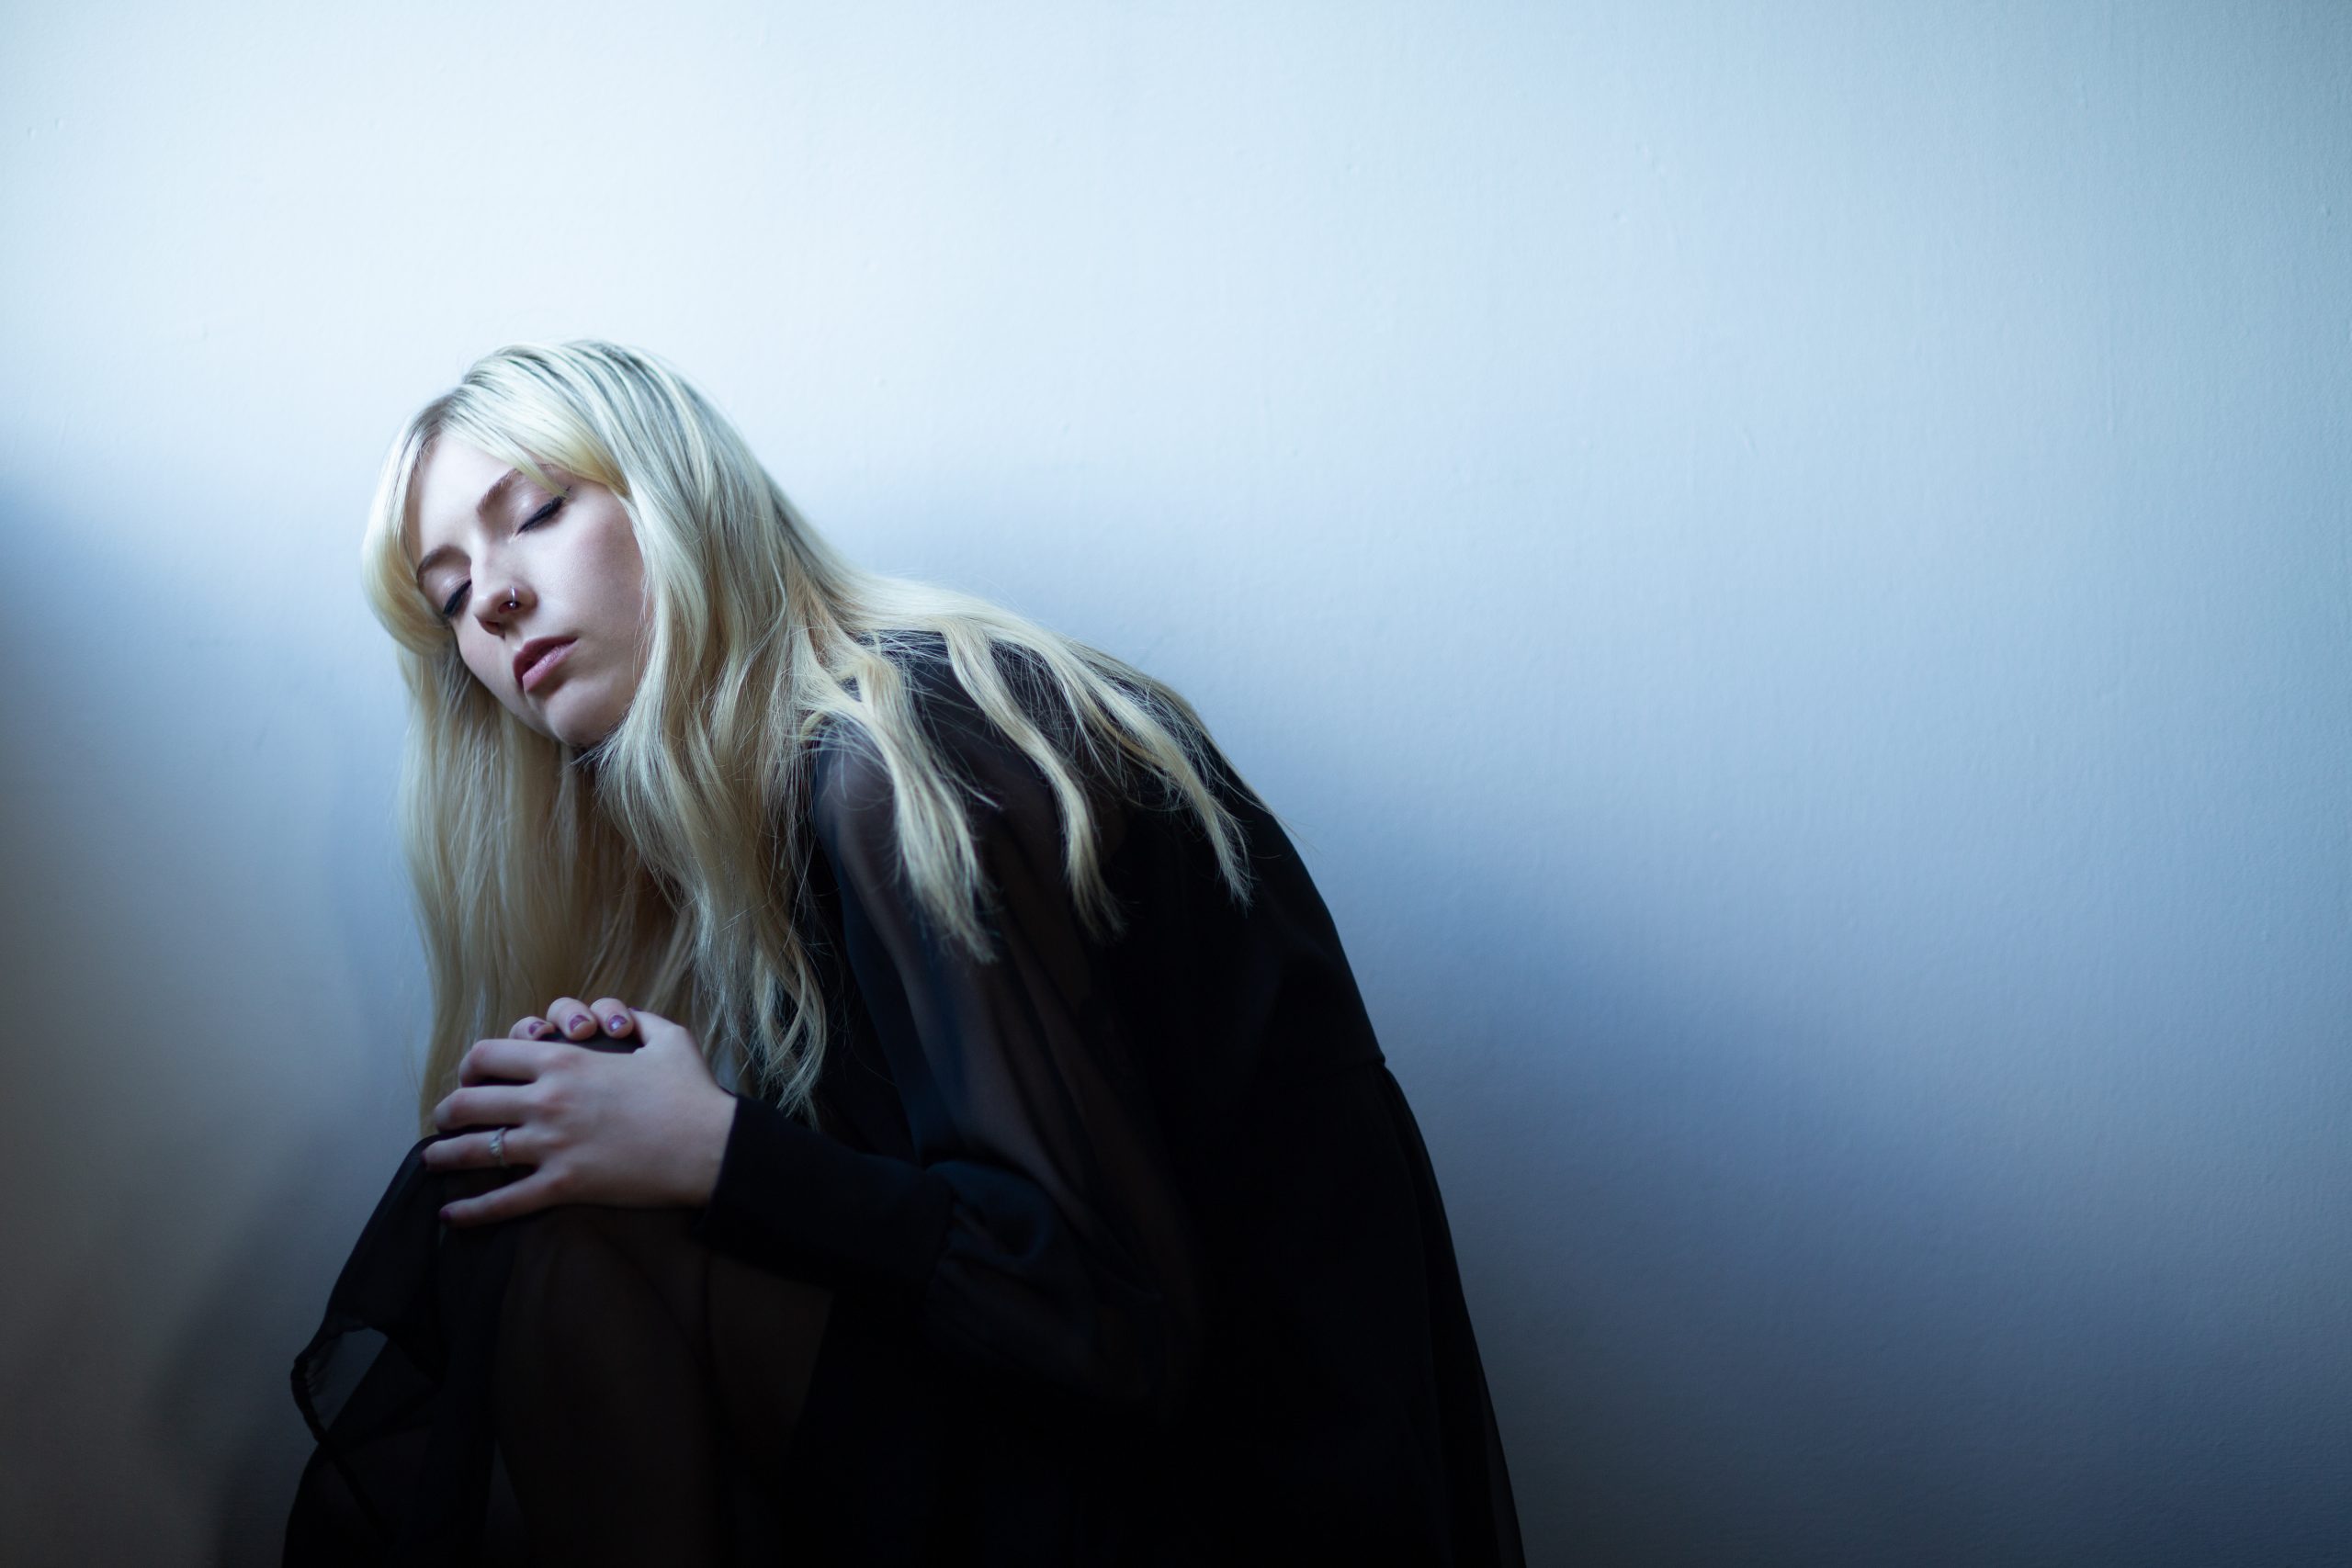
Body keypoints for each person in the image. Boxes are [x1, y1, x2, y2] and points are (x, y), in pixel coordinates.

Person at [284, 340, 1524, 1565]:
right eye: (450, 597)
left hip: (1220, 1485)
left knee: (567, 1236)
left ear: (674, 496)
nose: (494, 602)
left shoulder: (911, 750)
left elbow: (1111, 1326)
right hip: (1030, 1429)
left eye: (538, 513)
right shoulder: (757, 837)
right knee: (545, 1196)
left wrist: (714, 1150)